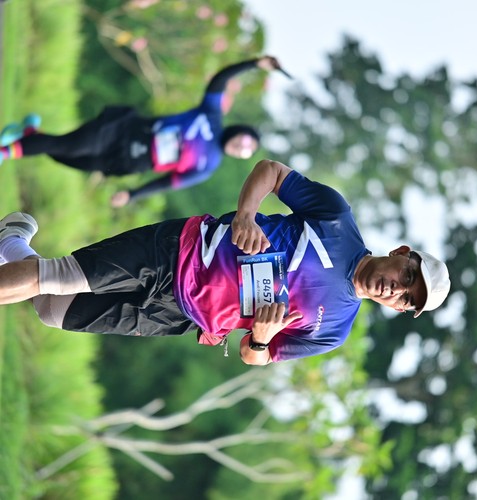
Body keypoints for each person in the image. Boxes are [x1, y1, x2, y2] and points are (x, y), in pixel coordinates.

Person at [0, 159, 451, 364]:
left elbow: (256, 358)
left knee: (53, 310)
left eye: (406, 299)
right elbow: (271, 171)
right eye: (407, 276)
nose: (397, 289)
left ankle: (12, 238)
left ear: (399, 309)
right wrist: (246, 216)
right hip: (179, 252)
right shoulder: (336, 218)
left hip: (181, 315)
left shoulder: (333, 329)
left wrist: (261, 337)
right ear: (401, 253)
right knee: (58, 278)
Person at [0, 56, 284, 207]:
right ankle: (6, 151)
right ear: (239, 131)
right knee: (69, 146)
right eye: (246, 141)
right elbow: (220, 79)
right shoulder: (211, 116)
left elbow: (167, 183)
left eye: (247, 151)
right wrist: (254, 64)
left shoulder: (208, 165)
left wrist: (132, 195)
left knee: (69, 157)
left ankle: (29, 133)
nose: (242, 147)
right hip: (126, 132)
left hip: (128, 162)